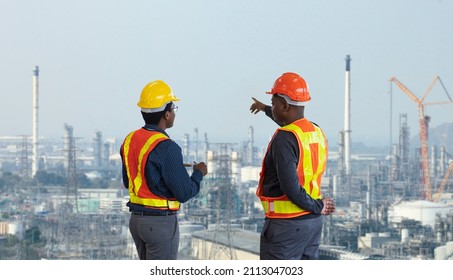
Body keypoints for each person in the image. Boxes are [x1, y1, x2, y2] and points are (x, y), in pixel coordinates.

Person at [250, 72, 335, 260]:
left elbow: (291, 189)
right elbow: (289, 124)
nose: (272, 108)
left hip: (286, 227)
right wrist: (264, 108)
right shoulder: (314, 130)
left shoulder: (284, 139)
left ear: (285, 105)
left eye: (273, 104)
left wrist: (318, 206)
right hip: (311, 225)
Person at [120, 80, 207, 260]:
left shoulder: (130, 140)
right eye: (173, 108)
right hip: (159, 223)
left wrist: (167, 169)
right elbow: (185, 192)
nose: (174, 113)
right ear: (167, 114)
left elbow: (130, 180)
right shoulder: (167, 147)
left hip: (137, 221)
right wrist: (199, 173)